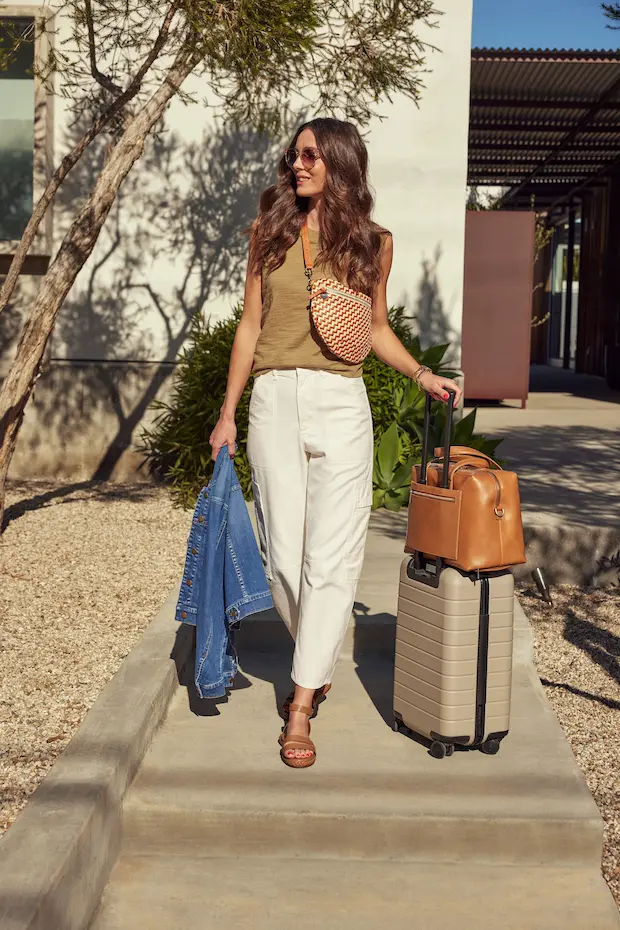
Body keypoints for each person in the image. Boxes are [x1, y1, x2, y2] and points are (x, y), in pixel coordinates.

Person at [209, 117, 462, 769]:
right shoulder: (270, 235)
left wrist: (420, 372)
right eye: (294, 155)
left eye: (312, 156)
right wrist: (228, 412)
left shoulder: (373, 243)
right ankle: (315, 658)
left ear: (340, 163)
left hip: (341, 404)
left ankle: (299, 706)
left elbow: (374, 326)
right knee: (285, 560)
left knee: (330, 559)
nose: (298, 165)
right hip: (272, 403)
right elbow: (249, 327)